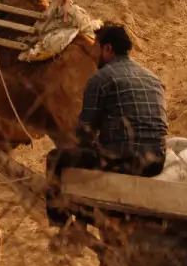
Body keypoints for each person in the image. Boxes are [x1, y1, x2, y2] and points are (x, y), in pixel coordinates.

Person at [51, 23, 169, 178]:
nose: (93, 52)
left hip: (120, 162)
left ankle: (58, 202)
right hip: (156, 163)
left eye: (95, 46)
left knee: (55, 158)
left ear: (107, 49)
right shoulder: (154, 78)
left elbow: (85, 134)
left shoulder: (101, 78)